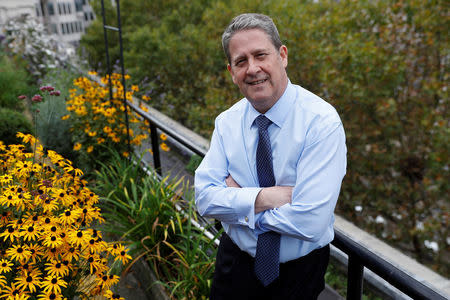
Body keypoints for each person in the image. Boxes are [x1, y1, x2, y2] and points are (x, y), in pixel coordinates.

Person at [195, 13, 347, 300]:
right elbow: (204, 198)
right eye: (241, 61)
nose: (253, 69)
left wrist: (239, 206)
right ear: (231, 71)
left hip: (298, 274)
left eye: (260, 55)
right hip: (234, 264)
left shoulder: (321, 122)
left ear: (283, 55)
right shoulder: (226, 123)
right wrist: (269, 198)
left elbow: (310, 222)